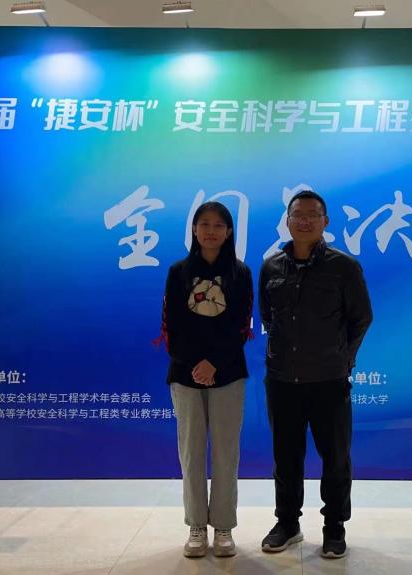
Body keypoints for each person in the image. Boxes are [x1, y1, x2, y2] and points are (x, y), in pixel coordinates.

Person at [258, 189, 373, 559]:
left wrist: (343, 359)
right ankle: (287, 524)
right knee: (285, 457)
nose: (304, 221)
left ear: (325, 222)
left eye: (312, 215)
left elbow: (361, 318)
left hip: (329, 381)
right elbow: (268, 317)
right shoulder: (271, 267)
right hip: (282, 380)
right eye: (298, 214)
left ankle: (334, 527)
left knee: (335, 458)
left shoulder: (344, 267)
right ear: (287, 221)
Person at [159, 201, 253, 558]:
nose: (211, 231)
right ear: (194, 230)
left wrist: (214, 363)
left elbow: (240, 326)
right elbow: (172, 325)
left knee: (227, 453)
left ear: (228, 232)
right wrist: (195, 363)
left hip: (228, 374)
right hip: (185, 375)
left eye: (218, 225)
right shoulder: (178, 272)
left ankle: (224, 526)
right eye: (204, 224)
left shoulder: (240, 273)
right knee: (191, 452)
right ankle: (196, 526)